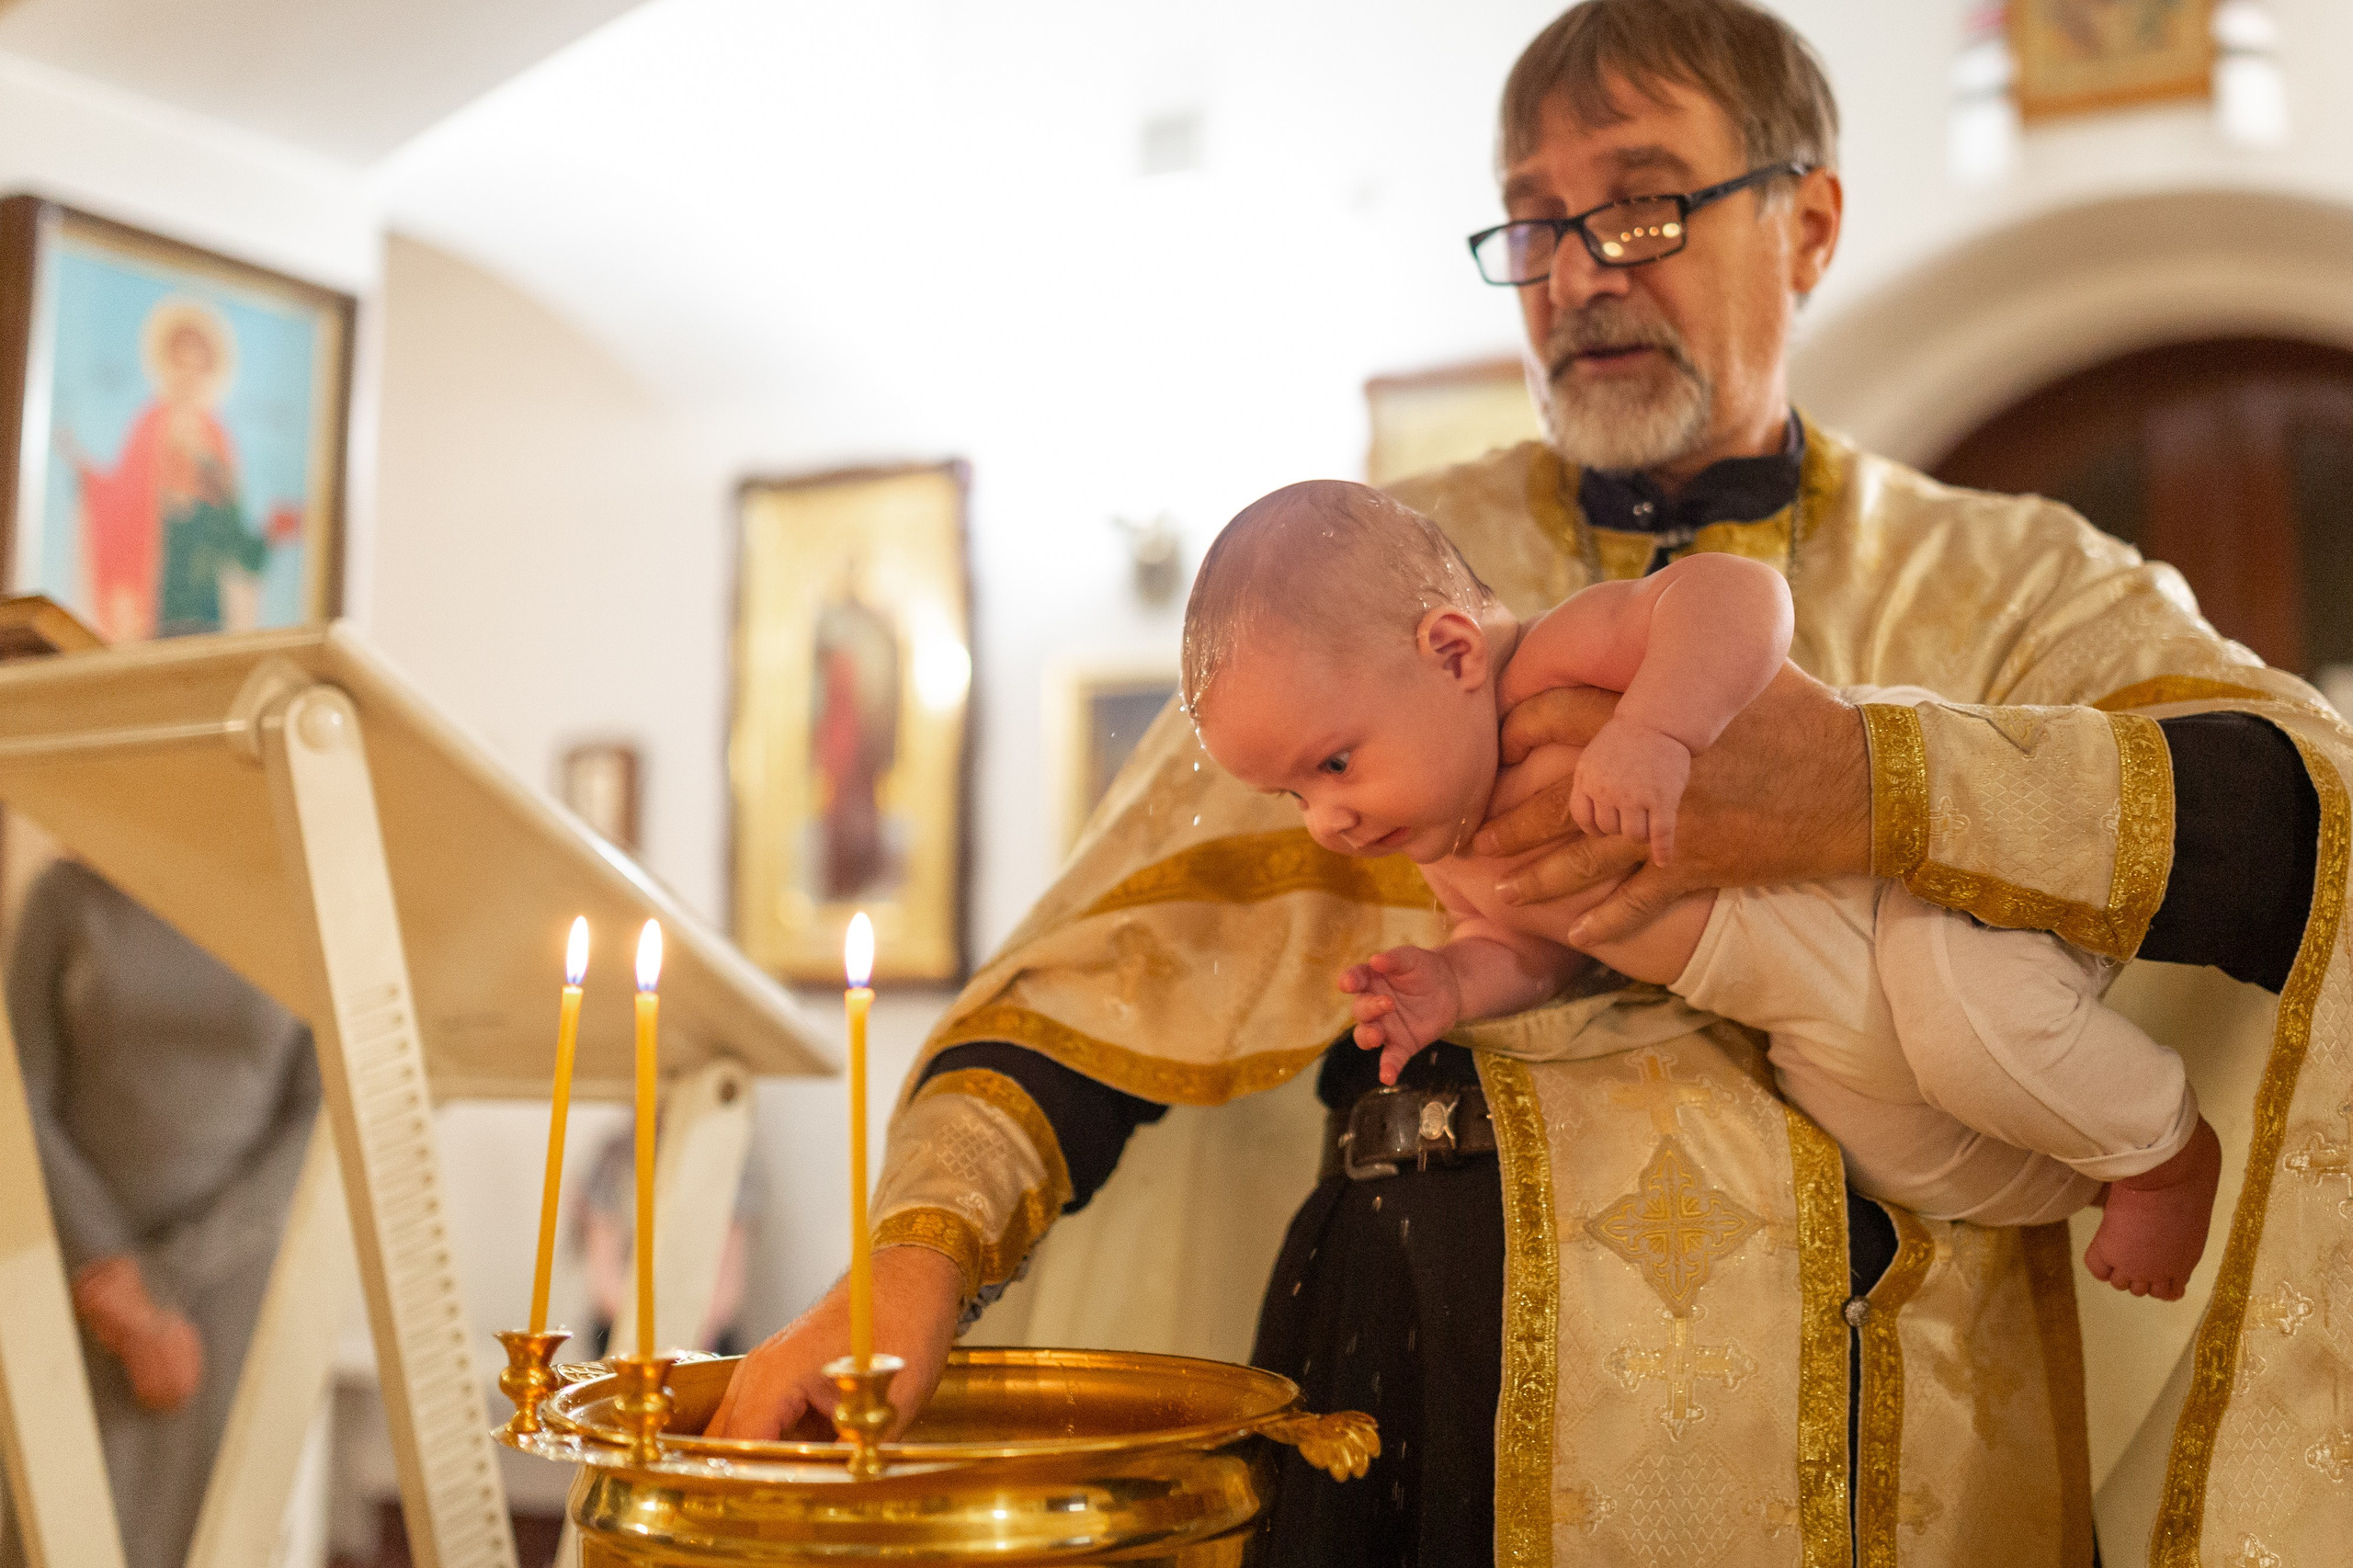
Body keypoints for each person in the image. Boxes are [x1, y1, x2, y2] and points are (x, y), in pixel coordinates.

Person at [713, 3, 2347, 1562]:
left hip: (1903, 1473)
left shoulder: (2005, 580)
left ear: (1809, 226)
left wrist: (1873, 782)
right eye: (1534, 223)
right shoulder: (1373, 584)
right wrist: (914, 1258)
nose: (1575, 274)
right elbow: (1106, 975)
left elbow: (2308, 822)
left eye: (1640, 207)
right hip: (1428, 1415)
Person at [1188, 478, 2220, 1301]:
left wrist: (1656, 729)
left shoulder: (1550, 662)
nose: (1326, 821)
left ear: (1451, 651)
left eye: (1333, 764)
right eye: (1293, 795)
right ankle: (2088, 1175)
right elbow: (1545, 950)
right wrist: (1457, 980)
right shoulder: (1443, 843)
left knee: (1965, 1021)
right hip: (1795, 1004)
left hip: (1897, 871)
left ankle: (2165, 1154)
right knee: (1892, 1157)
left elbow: (1739, 597)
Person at [5, 859, 319, 1568]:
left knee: (214, 1533)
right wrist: (112, 1275)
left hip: (231, 1281)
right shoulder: (66, 893)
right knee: (54, 1518)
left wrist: (166, 1279)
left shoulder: (299, 900)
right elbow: (17, 1098)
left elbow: (316, 1117)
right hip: (78, 1275)